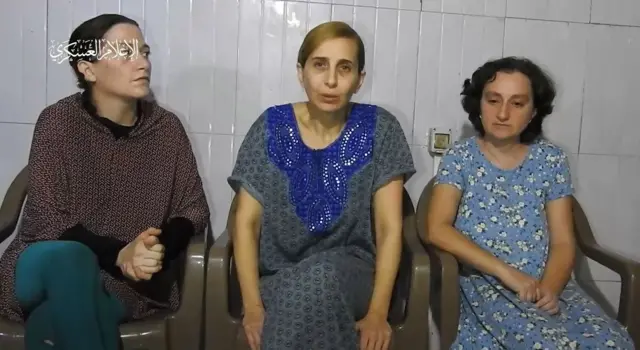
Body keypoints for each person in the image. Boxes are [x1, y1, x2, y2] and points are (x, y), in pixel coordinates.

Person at [0, 14, 210, 350]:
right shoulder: (57, 121)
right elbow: (47, 218)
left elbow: (194, 209)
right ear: (88, 69)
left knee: (50, 322)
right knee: (72, 259)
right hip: (43, 264)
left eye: (144, 52)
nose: (142, 63)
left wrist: (154, 250)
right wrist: (119, 254)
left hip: (123, 285)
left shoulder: (167, 129)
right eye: (125, 53)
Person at [228, 21, 415, 350]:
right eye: (319, 65)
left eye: (344, 68)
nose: (331, 80)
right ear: (301, 73)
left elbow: (389, 228)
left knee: (319, 280)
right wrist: (254, 308)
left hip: (354, 275)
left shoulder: (381, 129)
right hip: (278, 277)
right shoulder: (270, 126)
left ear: (360, 79)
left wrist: (377, 312)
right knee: (303, 297)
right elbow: (245, 223)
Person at [425, 56, 634, 349]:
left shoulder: (551, 159)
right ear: (479, 104)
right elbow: (437, 228)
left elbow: (563, 241)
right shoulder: (461, 157)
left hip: (547, 286)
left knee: (611, 343)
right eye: (493, 100)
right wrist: (507, 273)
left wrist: (551, 288)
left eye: (517, 103)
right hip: (486, 286)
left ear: (534, 111)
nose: (503, 113)